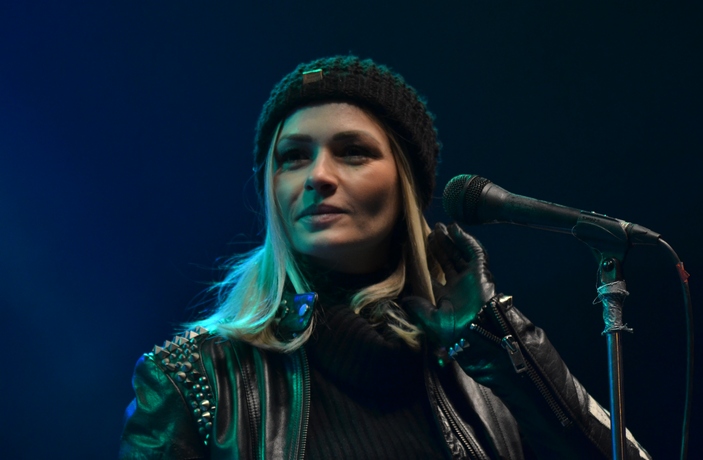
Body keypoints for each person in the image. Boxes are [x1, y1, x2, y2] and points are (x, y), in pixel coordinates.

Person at [119, 56, 651, 459]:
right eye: (293, 157)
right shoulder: (193, 379)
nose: (317, 176)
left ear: (407, 186)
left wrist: (499, 338)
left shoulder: (481, 363)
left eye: (353, 152)